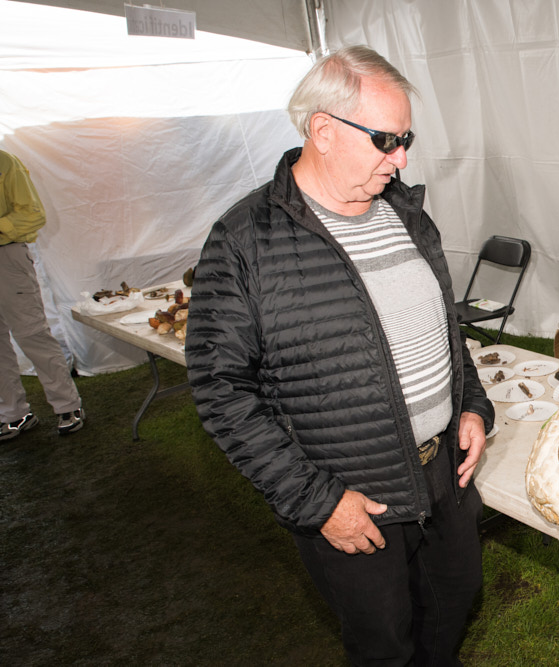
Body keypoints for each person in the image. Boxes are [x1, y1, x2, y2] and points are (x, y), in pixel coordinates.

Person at [185, 46, 495, 666]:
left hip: (443, 475)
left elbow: (440, 326)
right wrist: (317, 502)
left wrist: (471, 405)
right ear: (323, 130)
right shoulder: (246, 239)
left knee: (455, 601)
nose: (401, 158)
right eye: (386, 140)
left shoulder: (407, 213)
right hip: (353, 490)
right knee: (384, 643)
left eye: (406, 138)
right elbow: (220, 388)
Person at [0, 149, 85, 441]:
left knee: (31, 334)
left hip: (6, 257)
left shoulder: (4, 162)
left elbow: (32, 214)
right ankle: (13, 414)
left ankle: (67, 406)